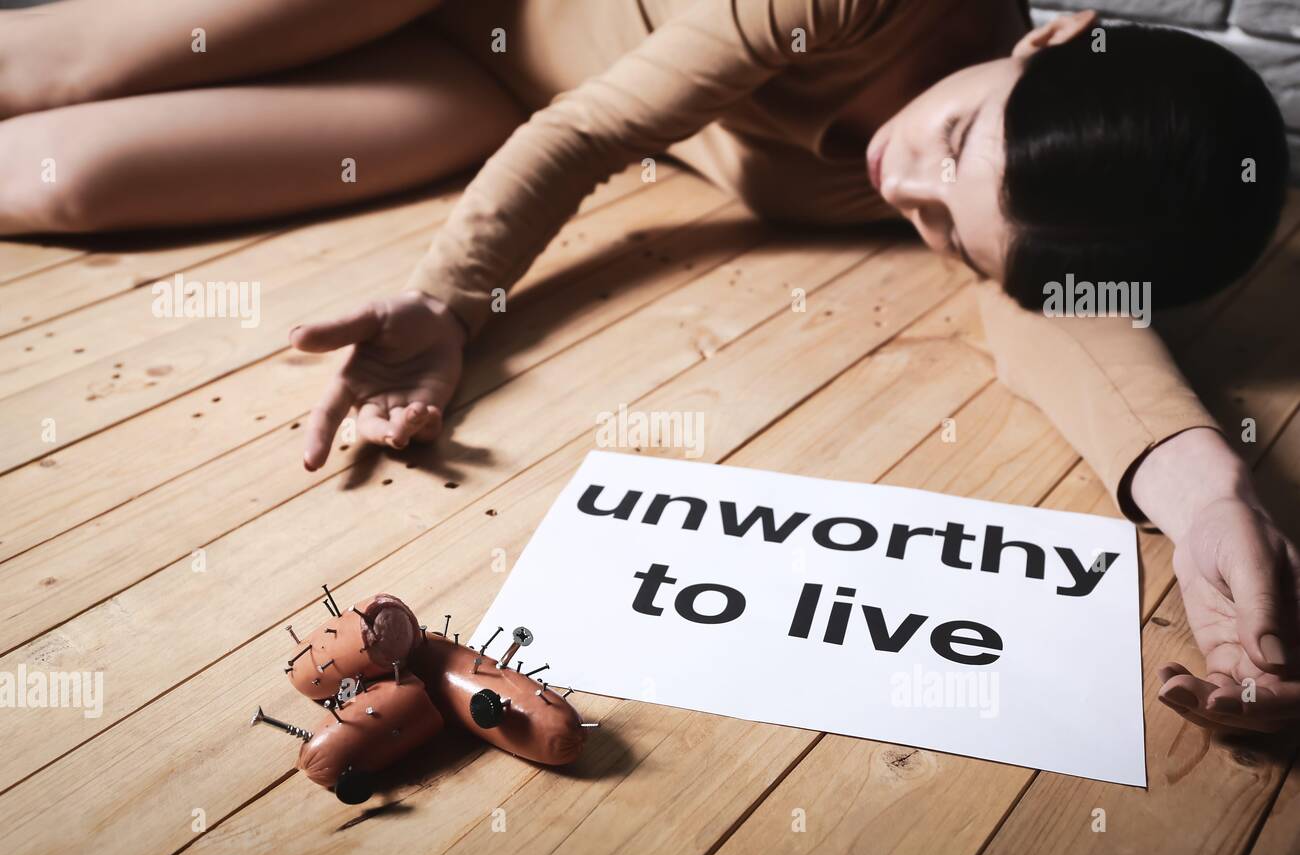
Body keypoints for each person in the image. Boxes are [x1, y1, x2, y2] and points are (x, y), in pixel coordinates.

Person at [1, 0, 1294, 731]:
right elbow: (603, 124)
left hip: (491, 92)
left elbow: (1057, 321)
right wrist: (454, 299)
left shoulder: (1009, 208)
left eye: (955, 232)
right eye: (953, 141)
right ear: (1054, 40)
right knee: (51, 72)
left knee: (73, 183)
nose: (905, 187)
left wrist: (1206, 497)